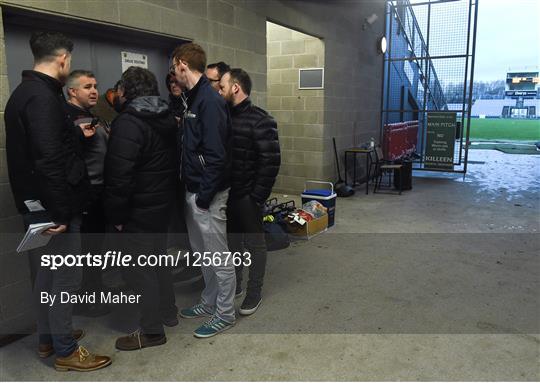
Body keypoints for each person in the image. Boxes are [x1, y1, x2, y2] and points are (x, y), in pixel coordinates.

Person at [4, 31, 111, 371]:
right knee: (66, 279)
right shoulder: (44, 99)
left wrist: (73, 137)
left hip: (40, 206)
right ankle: (66, 349)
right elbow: (49, 161)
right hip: (57, 209)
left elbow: (43, 151)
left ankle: (49, 338)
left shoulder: (23, 94)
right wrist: (62, 212)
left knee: (49, 278)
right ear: (63, 60)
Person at [104, 66, 178, 350]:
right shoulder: (166, 118)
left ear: (126, 91)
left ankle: (151, 331)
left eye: (119, 89)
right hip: (160, 208)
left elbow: (118, 177)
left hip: (137, 211)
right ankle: (168, 312)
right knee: (158, 262)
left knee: (139, 270)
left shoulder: (128, 122)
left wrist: (117, 217)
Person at [171, 43, 235, 338]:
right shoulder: (191, 99)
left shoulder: (209, 101)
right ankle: (209, 302)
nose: (173, 73)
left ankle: (225, 313)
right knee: (204, 254)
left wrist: (205, 197)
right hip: (194, 190)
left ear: (182, 63)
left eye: (174, 67)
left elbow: (217, 156)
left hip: (207, 194)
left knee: (218, 256)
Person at [219, 68, 281, 315]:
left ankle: (254, 291)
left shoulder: (261, 120)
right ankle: (236, 285)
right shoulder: (223, 117)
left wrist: (256, 197)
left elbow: (271, 161)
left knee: (255, 245)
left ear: (235, 87)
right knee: (232, 243)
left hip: (247, 196)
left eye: (222, 85)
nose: (219, 90)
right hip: (227, 194)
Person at [64, 70, 110, 317]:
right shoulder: (68, 119)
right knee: (88, 251)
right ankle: (88, 299)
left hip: (98, 192)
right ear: (72, 91)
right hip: (86, 193)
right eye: (87, 87)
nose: (94, 91)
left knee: (95, 249)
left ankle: (95, 290)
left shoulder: (89, 116)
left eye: (95, 85)